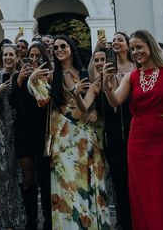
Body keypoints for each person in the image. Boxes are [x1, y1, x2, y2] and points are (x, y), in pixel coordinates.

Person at [103, 30, 163, 230]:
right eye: (133, 48)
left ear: (150, 46)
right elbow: (115, 101)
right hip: (138, 141)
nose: (136, 52)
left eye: (139, 47)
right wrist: (107, 87)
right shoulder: (131, 76)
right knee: (142, 193)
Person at [30, 36, 110, 230]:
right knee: (67, 185)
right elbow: (39, 96)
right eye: (55, 47)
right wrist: (32, 79)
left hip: (84, 137)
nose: (59, 49)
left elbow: (91, 100)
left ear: (71, 49)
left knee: (86, 184)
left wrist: (94, 110)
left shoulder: (83, 73)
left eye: (63, 46)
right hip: (63, 139)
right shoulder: (51, 75)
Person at [94, 36, 134, 230]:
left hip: (133, 121)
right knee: (118, 177)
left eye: (120, 39)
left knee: (135, 177)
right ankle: (123, 219)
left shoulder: (136, 67)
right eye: (114, 40)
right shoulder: (107, 67)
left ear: (127, 44)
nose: (116, 42)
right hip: (113, 125)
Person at [11, 40, 51, 230]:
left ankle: (48, 221)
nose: (34, 59)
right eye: (31, 56)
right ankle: (31, 221)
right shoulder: (19, 77)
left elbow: (47, 103)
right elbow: (14, 104)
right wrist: (19, 82)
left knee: (45, 177)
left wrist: (38, 80)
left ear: (44, 57)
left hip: (43, 130)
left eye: (38, 56)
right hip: (24, 131)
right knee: (28, 177)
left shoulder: (48, 77)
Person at [0, 44, 26, 230]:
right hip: (3, 129)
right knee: (4, 174)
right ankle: (6, 218)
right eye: (5, 55)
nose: (8, 57)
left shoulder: (22, 75)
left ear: (17, 57)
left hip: (20, 129)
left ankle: (21, 216)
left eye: (12, 54)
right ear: (1, 57)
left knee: (20, 173)